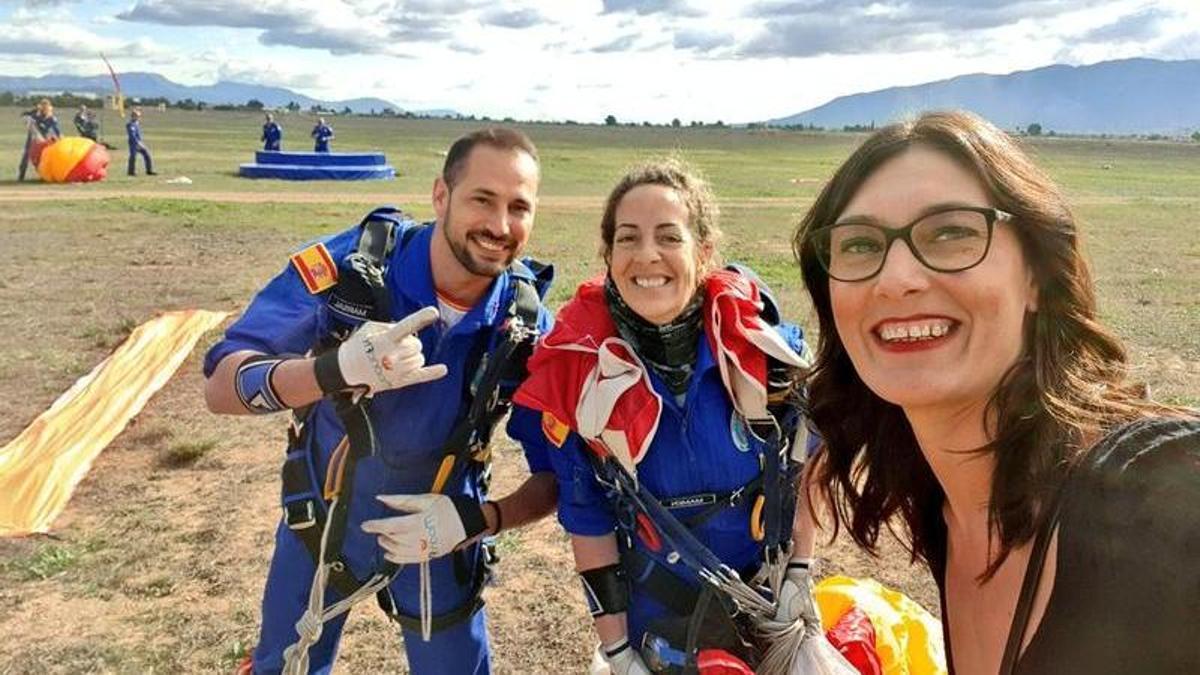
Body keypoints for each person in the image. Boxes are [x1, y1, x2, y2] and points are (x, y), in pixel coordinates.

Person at [792, 110, 1199, 675]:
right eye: (860, 245)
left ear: (1036, 274)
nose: (897, 278)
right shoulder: (944, 511)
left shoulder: (1160, 495)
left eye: (953, 232)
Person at [203, 127, 559, 674]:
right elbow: (224, 385)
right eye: (482, 200)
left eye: (519, 207)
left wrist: (480, 520)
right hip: (321, 520)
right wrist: (331, 369)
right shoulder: (353, 271)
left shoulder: (525, 327)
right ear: (441, 195)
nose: (499, 225)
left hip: (440, 530)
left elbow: (562, 478)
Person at [505, 160, 823, 674]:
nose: (646, 255)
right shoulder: (581, 379)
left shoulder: (765, 358)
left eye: (668, 237)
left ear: (704, 252)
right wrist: (616, 652)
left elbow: (805, 466)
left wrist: (802, 573)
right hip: (656, 628)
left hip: (769, 615)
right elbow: (588, 521)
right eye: (627, 239)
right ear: (608, 255)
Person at [18, 98, 61, 181]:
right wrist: (33, 112)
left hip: (43, 140)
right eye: (43, 107)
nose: (44, 110)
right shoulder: (35, 115)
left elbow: (56, 130)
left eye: (46, 108)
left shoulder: (52, 118)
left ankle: (43, 175)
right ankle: (21, 176)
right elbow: (24, 115)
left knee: (42, 157)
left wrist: (59, 140)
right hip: (32, 139)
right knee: (26, 156)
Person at [126, 108, 156, 176]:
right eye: (137, 116)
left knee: (147, 155)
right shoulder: (130, 124)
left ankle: (149, 170)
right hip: (133, 143)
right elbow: (132, 135)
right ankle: (131, 172)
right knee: (133, 157)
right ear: (133, 116)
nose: (138, 117)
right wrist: (138, 143)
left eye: (139, 116)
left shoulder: (136, 123)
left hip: (139, 142)